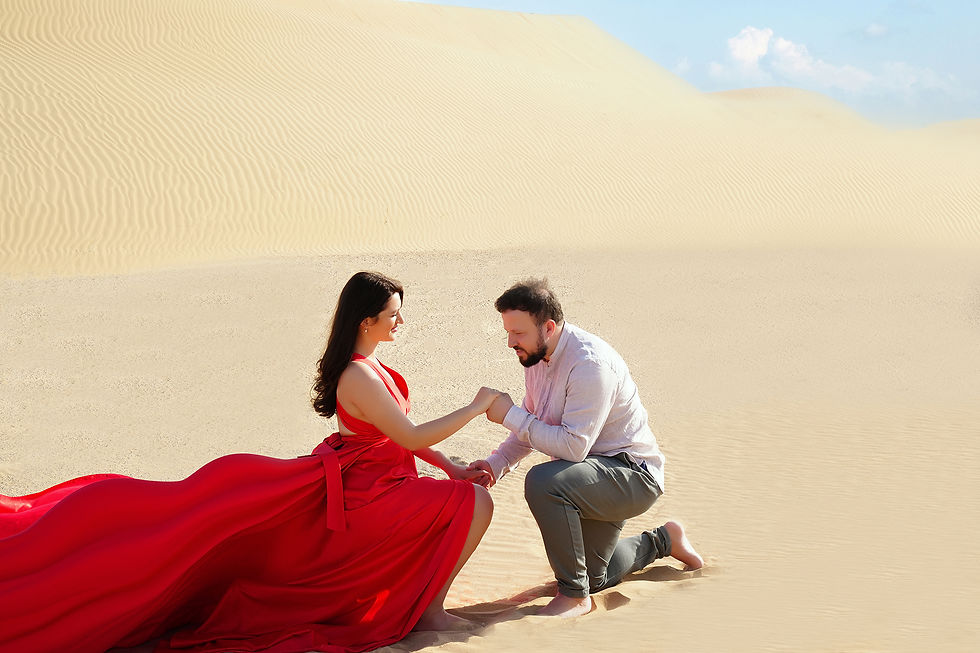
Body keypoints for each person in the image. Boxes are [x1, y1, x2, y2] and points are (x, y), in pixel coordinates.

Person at [0, 271, 496, 653]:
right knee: (475, 503)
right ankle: (429, 611)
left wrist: (449, 467)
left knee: (465, 494)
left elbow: (399, 435)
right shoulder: (358, 376)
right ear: (366, 320)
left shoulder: (374, 368)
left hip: (384, 481)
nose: (401, 323)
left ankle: (425, 603)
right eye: (393, 314)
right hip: (367, 496)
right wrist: (476, 407)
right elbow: (409, 434)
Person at [468, 278, 703, 618]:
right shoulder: (537, 358)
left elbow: (572, 447)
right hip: (589, 478)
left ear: (548, 327)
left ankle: (575, 598)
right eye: (508, 332)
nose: (510, 342)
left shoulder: (590, 365)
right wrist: (496, 463)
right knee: (594, 577)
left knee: (543, 482)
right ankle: (664, 540)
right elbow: (534, 421)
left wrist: (509, 415)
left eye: (518, 333)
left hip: (633, 475)